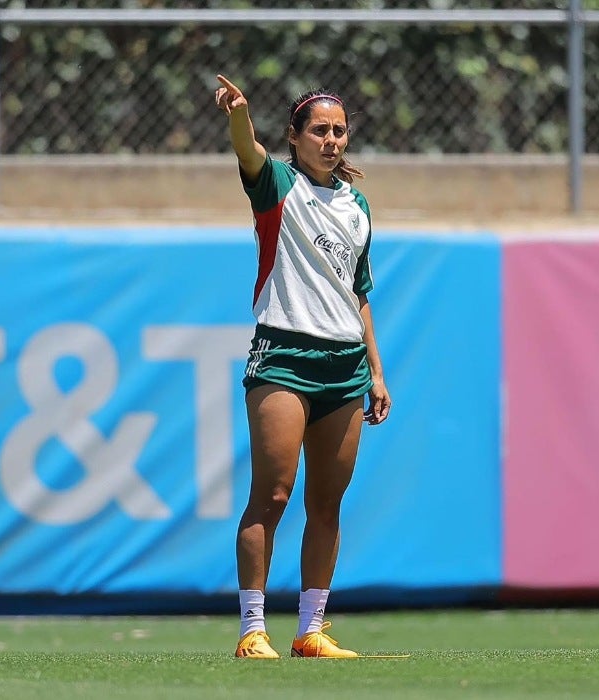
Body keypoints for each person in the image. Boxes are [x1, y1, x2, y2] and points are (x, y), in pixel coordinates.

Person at [215, 74, 391, 659]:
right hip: (284, 356)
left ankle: (311, 629)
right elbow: (248, 152)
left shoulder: (357, 206)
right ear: (294, 137)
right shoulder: (278, 187)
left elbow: (358, 293)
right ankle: (252, 630)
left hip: (345, 368)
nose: (332, 139)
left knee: (327, 503)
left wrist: (376, 370)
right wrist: (239, 114)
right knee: (272, 493)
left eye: (340, 130)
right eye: (319, 129)